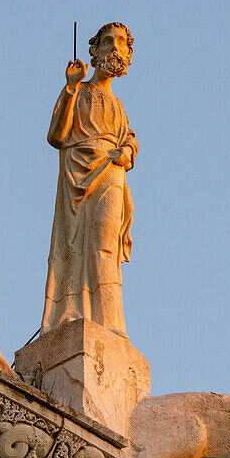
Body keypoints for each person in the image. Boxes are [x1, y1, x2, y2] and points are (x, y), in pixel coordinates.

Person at [41, 22, 138, 336]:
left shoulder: (119, 106)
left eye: (121, 42)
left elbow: (130, 139)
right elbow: (56, 134)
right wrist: (70, 85)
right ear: (94, 51)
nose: (114, 47)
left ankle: (111, 322)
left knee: (104, 243)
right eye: (107, 41)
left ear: (127, 53)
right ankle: (71, 311)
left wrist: (127, 150)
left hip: (110, 172)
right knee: (72, 246)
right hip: (76, 172)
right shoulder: (79, 92)